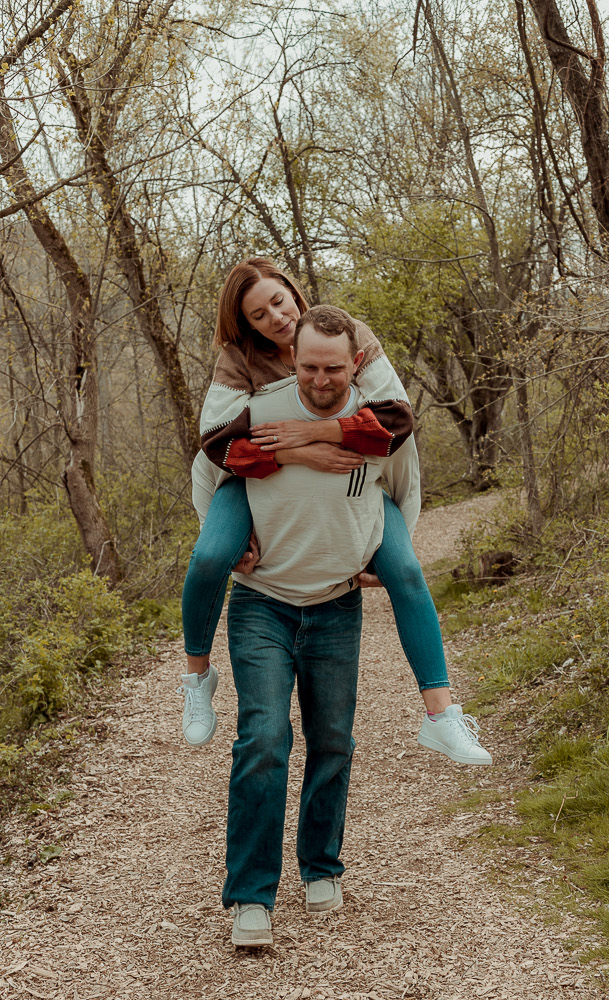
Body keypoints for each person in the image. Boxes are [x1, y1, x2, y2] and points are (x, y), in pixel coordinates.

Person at [181, 259, 490, 765]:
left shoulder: (346, 332)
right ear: (246, 324)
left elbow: (396, 419)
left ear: (292, 290)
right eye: (258, 315)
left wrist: (317, 432)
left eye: (278, 301)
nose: (275, 318)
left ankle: (441, 715)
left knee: (406, 571)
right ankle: (197, 677)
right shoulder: (239, 360)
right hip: (258, 478)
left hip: (353, 482)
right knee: (211, 556)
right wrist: (297, 454)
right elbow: (218, 443)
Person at [224, 304, 426, 945]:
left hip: (337, 604)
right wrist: (230, 541)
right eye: (308, 366)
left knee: (333, 741)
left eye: (332, 368)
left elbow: (405, 486)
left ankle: (320, 865)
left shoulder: (376, 420)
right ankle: (251, 895)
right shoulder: (261, 411)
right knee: (263, 739)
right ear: (293, 359)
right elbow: (208, 473)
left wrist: (384, 556)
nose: (319, 378)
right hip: (261, 601)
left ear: (355, 363)